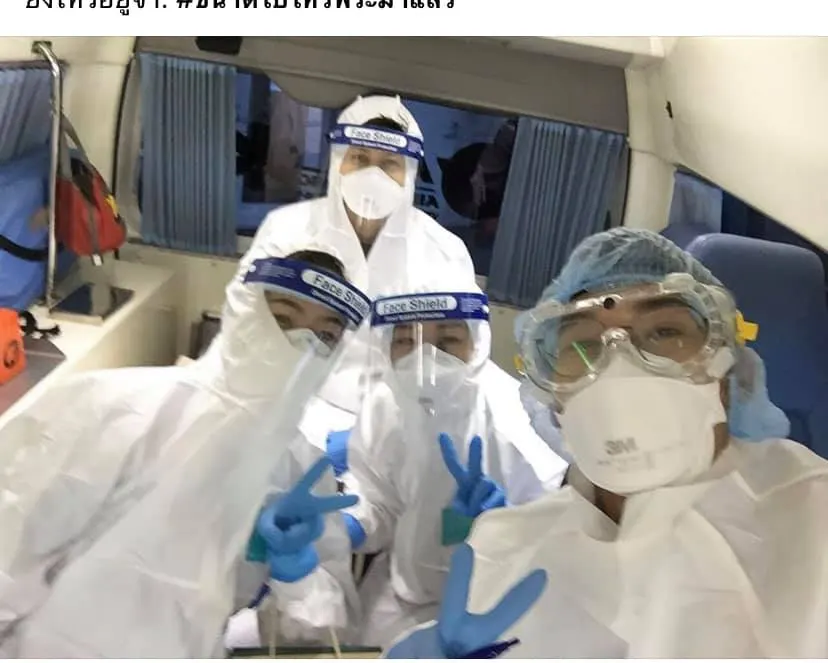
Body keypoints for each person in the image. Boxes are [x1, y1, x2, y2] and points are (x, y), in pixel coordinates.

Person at [386, 228, 828, 659]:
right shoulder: (506, 551)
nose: (620, 367)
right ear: (552, 401)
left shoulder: (811, 517)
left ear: (726, 373)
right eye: (582, 346)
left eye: (663, 332)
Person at [0, 245, 371, 657]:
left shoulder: (301, 473)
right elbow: (13, 549)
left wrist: (296, 571)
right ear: (244, 313)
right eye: (282, 319)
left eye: (324, 336)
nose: (299, 346)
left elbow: (317, 634)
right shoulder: (119, 408)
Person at [240, 94, 477, 457]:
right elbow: (246, 320)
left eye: (389, 164)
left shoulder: (443, 251)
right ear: (339, 161)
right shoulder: (286, 230)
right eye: (360, 159)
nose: (372, 176)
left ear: (410, 172)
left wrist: (402, 432)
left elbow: (462, 355)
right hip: (294, 412)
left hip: (396, 429)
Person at [340, 278, 568, 648]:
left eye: (446, 342)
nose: (426, 358)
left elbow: (555, 535)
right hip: (401, 593)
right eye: (405, 341)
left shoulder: (516, 419)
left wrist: (506, 528)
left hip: (493, 606)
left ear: (476, 342)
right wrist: (347, 526)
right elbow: (378, 499)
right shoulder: (385, 405)